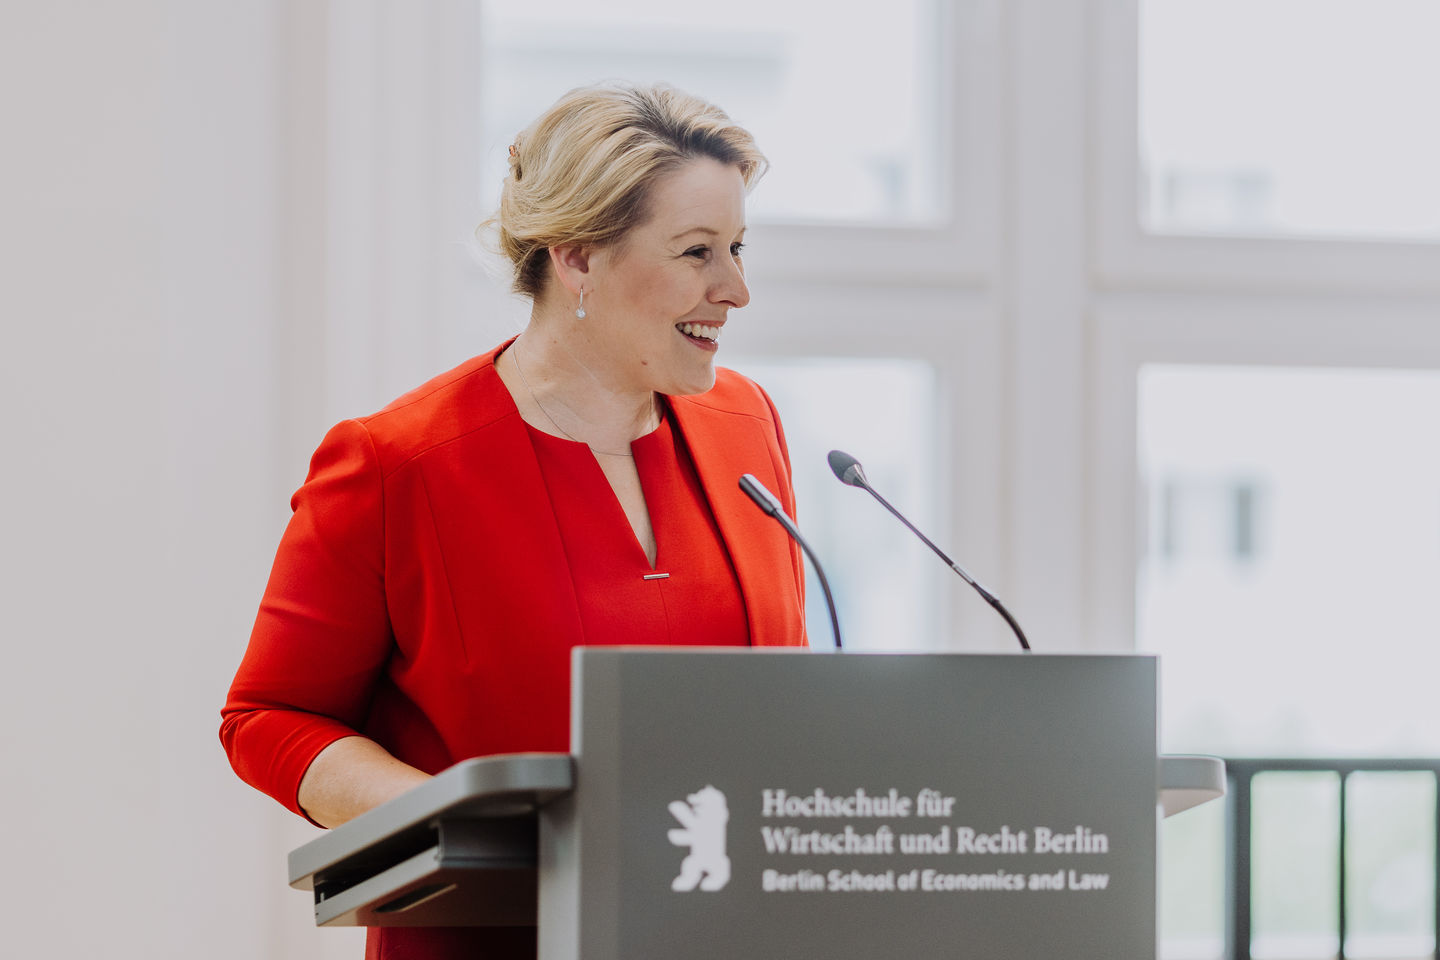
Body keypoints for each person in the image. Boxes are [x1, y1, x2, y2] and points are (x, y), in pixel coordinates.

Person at [220, 83, 808, 959]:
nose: (737, 289)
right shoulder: (396, 463)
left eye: (737, 247)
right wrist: (461, 827)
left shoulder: (745, 425)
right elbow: (269, 717)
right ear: (575, 257)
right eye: (696, 252)